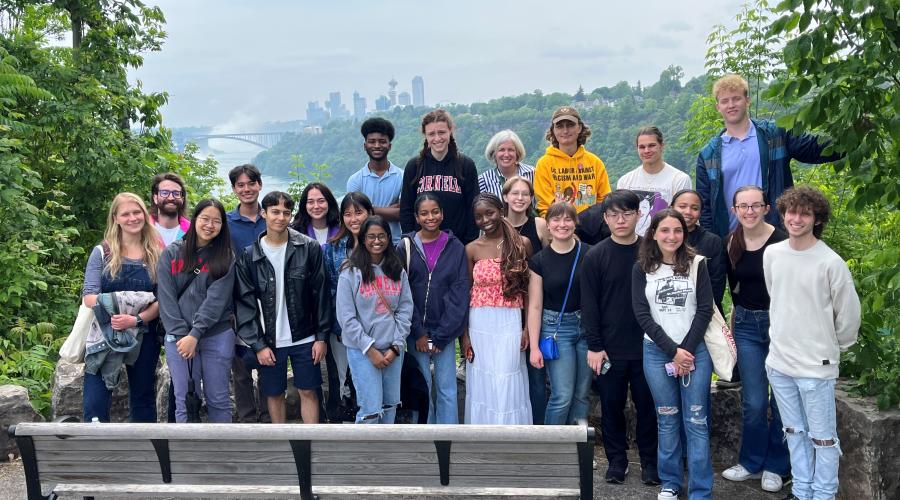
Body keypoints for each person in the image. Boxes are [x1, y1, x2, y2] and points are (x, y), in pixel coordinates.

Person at [764, 186, 860, 500]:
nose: (797, 218)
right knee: (793, 432)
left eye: (805, 213)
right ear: (782, 214)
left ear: (817, 219)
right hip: (779, 362)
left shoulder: (830, 263)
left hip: (816, 367)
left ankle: (823, 494)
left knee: (823, 438)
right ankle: (802, 490)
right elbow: (775, 297)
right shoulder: (773, 253)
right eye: (792, 212)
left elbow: (848, 317)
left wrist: (831, 348)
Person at [632, 208, 715, 500]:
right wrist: (672, 352)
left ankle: (701, 490)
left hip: (696, 353)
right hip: (656, 352)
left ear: (685, 233)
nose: (671, 236)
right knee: (667, 419)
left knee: (696, 421)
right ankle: (670, 482)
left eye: (677, 230)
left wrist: (686, 351)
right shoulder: (642, 267)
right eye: (665, 230)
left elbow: (705, 309)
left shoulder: (697, 265)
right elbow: (642, 314)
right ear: (654, 233)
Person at [696, 74, 841, 238]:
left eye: (736, 99)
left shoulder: (774, 135)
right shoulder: (708, 155)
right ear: (718, 107)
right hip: (731, 240)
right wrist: (713, 243)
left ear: (747, 100)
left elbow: (814, 148)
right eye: (725, 101)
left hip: (775, 233)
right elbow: (705, 206)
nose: (731, 105)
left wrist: (853, 139)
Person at [581, 190, 659, 486]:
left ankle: (650, 462)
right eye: (613, 214)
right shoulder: (595, 255)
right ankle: (617, 460)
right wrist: (595, 346)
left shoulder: (651, 252)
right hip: (610, 349)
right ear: (605, 218)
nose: (620, 220)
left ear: (639, 215)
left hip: (648, 347)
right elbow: (589, 305)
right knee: (611, 407)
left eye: (627, 213)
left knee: (648, 407)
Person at [234, 191, 331, 424]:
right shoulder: (250, 255)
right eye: (275, 212)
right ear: (263, 213)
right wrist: (258, 345)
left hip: (304, 336)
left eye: (286, 212)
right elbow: (244, 304)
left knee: (308, 391)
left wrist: (321, 337)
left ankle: (310, 442)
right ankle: (282, 444)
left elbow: (321, 295)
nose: (280, 217)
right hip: (269, 340)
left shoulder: (309, 248)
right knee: (274, 393)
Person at [719, 185, 790, 492]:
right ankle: (751, 462)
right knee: (755, 400)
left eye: (755, 206)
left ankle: (777, 465)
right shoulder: (731, 242)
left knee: (783, 398)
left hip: (782, 324)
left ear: (766, 208)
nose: (749, 212)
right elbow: (733, 290)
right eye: (742, 207)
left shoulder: (782, 241)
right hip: (747, 324)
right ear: (734, 210)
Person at [81, 193, 162, 422]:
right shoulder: (102, 253)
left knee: (143, 397)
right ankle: (98, 451)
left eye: (137, 213)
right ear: (115, 218)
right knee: (95, 399)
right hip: (104, 334)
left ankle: (145, 452)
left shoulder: (156, 254)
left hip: (144, 334)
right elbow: (89, 296)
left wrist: (135, 320)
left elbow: (162, 300)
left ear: (145, 216)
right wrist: (119, 311)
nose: (132, 218)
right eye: (126, 214)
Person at [157, 199, 235, 423]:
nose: (210, 225)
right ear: (194, 220)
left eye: (216, 221)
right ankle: (187, 455)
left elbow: (216, 300)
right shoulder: (172, 254)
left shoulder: (225, 257)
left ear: (222, 226)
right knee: (186, 400)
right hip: (178, 338)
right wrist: (183, 335)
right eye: (205, 219)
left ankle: (221, 454)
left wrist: (196, 333)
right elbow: (166, 297)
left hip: (216, 334)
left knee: (218, 399)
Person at [397, 194, 469, 424]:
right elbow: (402, 293)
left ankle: (449, 436)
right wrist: (418, 332)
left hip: (445, 332)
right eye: (425, 213)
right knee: (422, 386)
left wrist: (442, 335)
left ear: (442, 214)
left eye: (435, 211)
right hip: (415, 330)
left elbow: (460, 292)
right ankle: (425, 434)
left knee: (447, 387)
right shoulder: (405, 247)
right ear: (416, 217)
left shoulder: (455, 246)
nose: (431, 217)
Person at [462, 193, 532, 424]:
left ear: (501, 210)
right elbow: (465, 294)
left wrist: (526, 328)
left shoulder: (522, 244)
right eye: (478, 217)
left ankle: (510, 432)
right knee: (484, 378)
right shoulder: (472, 249)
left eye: (489, 213)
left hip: (510, 319)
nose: (485, 220)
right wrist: (465, 336)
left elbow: (529, 290)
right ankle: (485, 433)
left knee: (507, 374)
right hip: (479, 321)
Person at [336, 215, 413, 424]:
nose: (376, 241)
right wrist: (370, 350)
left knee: (390, 405)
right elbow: (347, 318)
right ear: (362, 239)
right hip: (362, 351)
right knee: (370, 408)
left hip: (393, 349)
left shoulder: (397, 270)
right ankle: (365, 455)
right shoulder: (350, 272)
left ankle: (386, 453)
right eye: (371, 236)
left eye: (381, 236)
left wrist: (396, 346)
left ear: (389, 238)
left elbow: (406, 309)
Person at [527, 201, 591, 426]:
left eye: (567, 219)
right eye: (556, 219)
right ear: (548, 224)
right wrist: (534, 347)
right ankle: (551, 450)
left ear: (575, 223)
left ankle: (579, 452)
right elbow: (535, 306)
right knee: (562, 395)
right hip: (555, 328)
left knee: (582, 395)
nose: (562, 224)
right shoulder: (539, 260)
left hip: (586, 327)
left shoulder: (589, 253)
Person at [323, 192, 375, 422]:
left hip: (375, 329)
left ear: (370, 213)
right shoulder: (333, 249)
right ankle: (345, 426)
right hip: (341, 328)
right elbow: (326, 288)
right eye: (348, 214)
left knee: (369, 380)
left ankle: (370, 425)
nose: (354, 219)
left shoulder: (381, 245)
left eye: (359, 213)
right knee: (344, 378)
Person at [502, 175, 549, 423]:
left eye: (525, 194)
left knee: (535, 374)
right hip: (508, 306)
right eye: (515, 193)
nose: (520, 198)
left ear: (531, 199)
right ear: (506, 197)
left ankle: (538, 429)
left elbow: (552, 258)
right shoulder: (495, 226)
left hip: (535, 302)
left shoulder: (539, 225)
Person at [226, 164, 270, 424]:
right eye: (240, 185)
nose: (246, 189)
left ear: (259, 185)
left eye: (250, 184)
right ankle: (246, 420)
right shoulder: (227, 223)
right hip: (238, 302)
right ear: (234, 189)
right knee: (240, 367)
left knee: (268, 363)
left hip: (271, 303)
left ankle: (268, 418)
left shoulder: (272, 218)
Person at [400, 109, 479, 245]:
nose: (437, 138)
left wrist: (469, 244)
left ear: (450, 131)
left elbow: (473, 208)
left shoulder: (466, 165)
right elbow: (406, 209)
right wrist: (410, 242)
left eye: (441, 132)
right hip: (422, 246)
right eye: (431, 134)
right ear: (425, 136)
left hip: (458, 245)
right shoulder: (414, 166)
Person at [533, 106, 611, 216]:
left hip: (591, 228)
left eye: (570, 125)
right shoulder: (544, 164)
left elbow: (604, 200)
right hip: (558, 226)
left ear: (579, 128)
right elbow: (545, 205)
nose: (565, 131)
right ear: (553, 130)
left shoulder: (595, 162)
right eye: (559, 126)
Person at [618, 127, 692, 238]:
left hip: (666, 243)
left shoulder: (679, 179)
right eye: (642, 147)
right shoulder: (625, 181)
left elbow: (683, 218)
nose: (646, 151)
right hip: (633, 244)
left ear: (662, 146)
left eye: (651, 145)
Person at [347, 117, 403, 245]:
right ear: (365, 146)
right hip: (365, 245)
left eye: (382, 141)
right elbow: (354, 216)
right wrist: (391, 209)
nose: (377, 145)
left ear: (389, 146)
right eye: (372, 141)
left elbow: (403, 213)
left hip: (395, 244)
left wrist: (367, 209)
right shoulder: (355, 180)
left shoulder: (403, 176)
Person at [670, 189, 727, 314]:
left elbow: (717, 287)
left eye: (695, 208)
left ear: (701, 213)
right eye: (682, 206)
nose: (688, 212)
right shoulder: (661, 239)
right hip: (668, 313)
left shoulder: (713, 242)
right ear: (671, 208)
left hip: (706, 314)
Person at [479, 130, 535, 199]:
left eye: (510, 150)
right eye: (501, 150)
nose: (506, 154)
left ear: (517, 153)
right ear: (494, 153)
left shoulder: (532, 173)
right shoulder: (483, 180)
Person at [149, 173, 190, 246]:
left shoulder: (192, 231)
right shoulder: (144, 228)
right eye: (165, 193)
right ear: (155, 198)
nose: (171, 198)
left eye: (176, 194)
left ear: (182, 199)